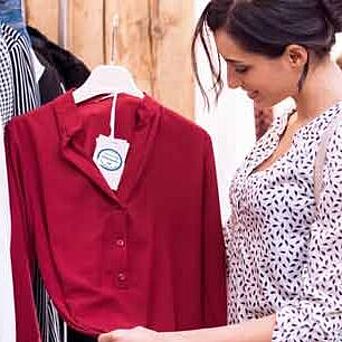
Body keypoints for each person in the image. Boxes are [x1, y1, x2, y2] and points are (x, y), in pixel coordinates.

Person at [98, 1, 342, 341]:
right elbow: (248, 247)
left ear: (295, 56)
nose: (230, 82)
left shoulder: (336, 140)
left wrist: (165, 341)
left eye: (240, 68)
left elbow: (327, 318)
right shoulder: (288, 122)